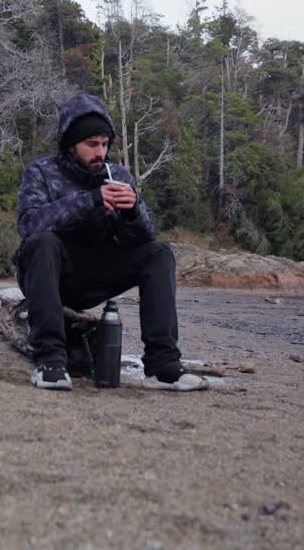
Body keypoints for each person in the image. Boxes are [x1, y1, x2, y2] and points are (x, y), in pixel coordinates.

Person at [14, 93, 208, 392]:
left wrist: (133, 210)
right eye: (92, 144)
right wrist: (90, 200)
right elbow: (29, 225)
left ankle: (162, 364)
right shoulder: (41, 171)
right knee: (42, 243)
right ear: (70, 144)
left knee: (159, 253)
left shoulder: (117, 175)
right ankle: (50, 360)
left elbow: (143, 237)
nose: (100, 152)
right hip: (49, 272)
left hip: (98, 272)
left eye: (104, 144)